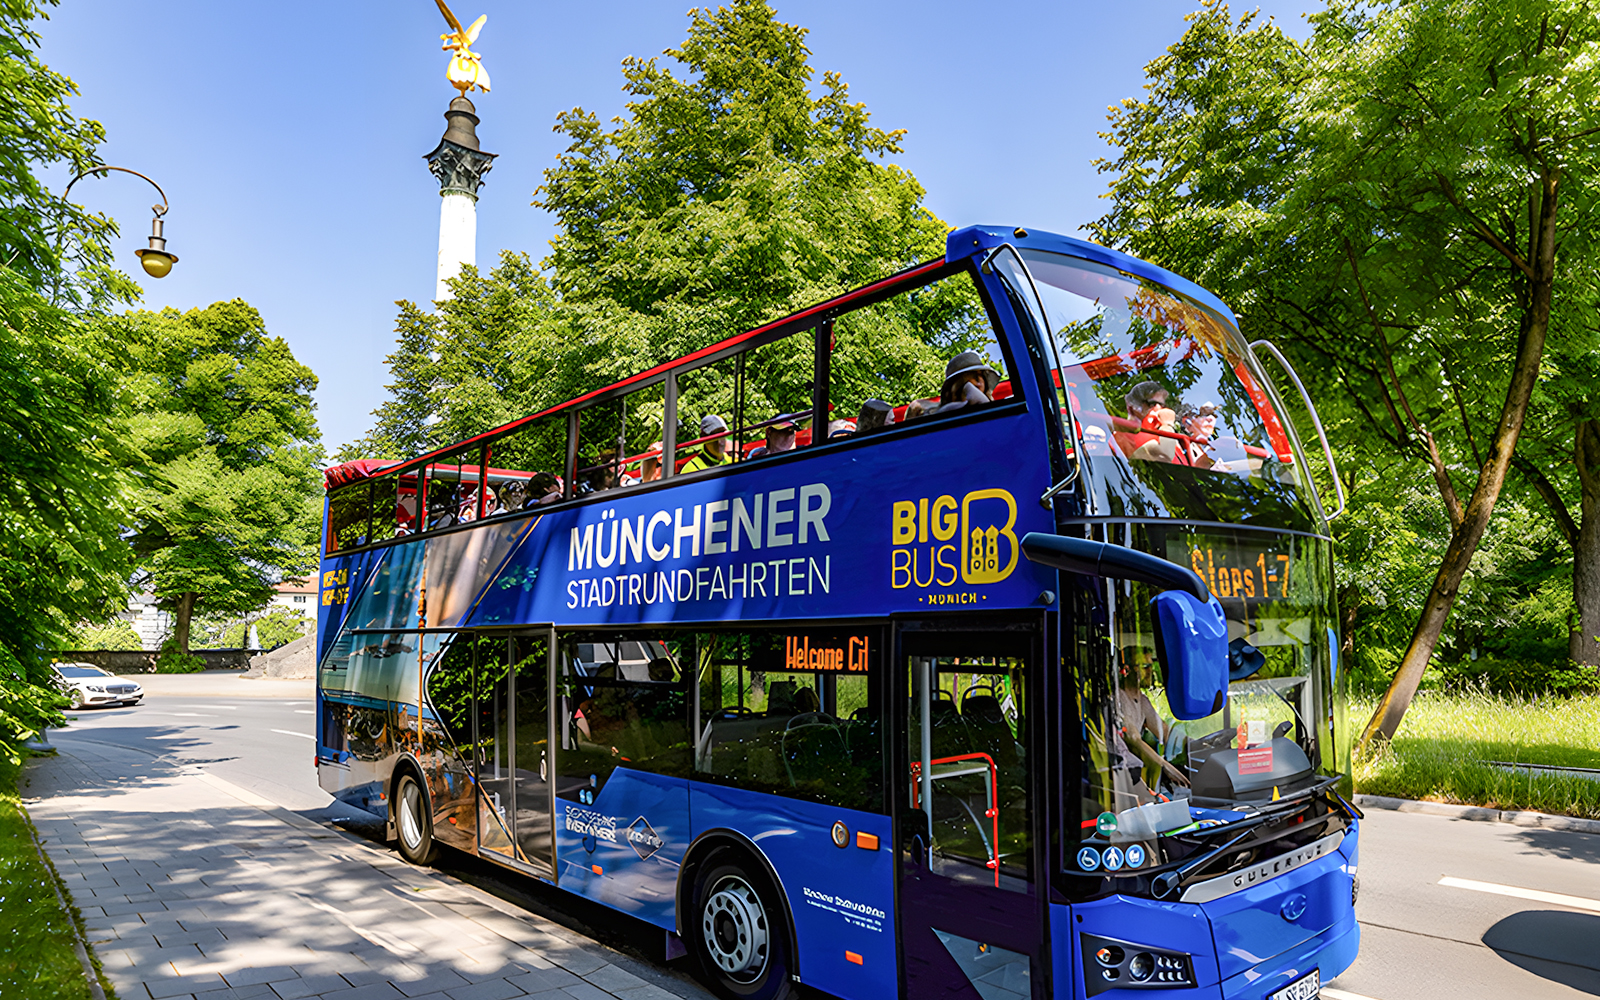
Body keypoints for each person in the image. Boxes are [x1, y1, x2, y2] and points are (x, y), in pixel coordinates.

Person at [1114, 645, 1188, 791]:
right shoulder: (1118, 698)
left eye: (1151, 666)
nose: (1150, 671)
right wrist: (1165, 766)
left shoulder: (1142, 699)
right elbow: (1134, 738)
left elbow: (1165, 733)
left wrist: (1198, 745)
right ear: (1127, 669)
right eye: (1145, 666)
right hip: (1124, 779)